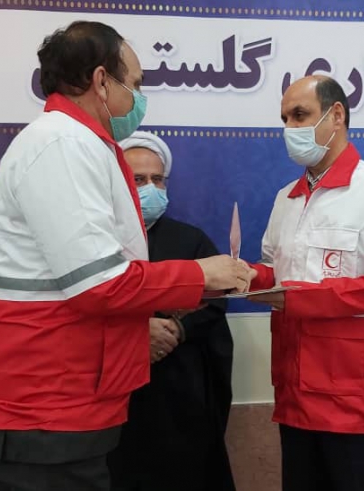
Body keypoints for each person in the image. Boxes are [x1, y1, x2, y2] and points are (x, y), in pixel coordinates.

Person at [0, 21, 252, 491]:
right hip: (45, 414)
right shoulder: (62, 144)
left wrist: (180, 302)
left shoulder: (82, 145)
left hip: (68, 408)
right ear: (102, 81)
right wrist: (199, 275)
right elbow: (99, 284)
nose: (139, 98)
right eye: (134, 84)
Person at [247, 75, 364, 491]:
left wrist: (296, 298)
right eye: (285, 119)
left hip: (356, 402)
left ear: (336, 115)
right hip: (295, 395)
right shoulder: (285, 198)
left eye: (300, 115)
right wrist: (243, 277)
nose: (290, 129)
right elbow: (275, 271)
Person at [107, 131, 236, 491]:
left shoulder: (191, 239)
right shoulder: (97, 241)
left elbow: (216, 300)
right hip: (115, 395)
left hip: (179, 393)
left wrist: (177, 329)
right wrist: (137, 333)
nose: (150, 188)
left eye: (157, 179)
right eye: (138, 180)